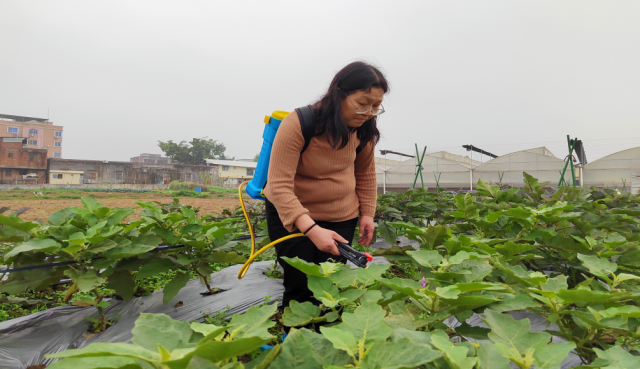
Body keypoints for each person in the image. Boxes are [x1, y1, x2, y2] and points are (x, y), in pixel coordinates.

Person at [264, 61, 389, 309]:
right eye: (362, 104)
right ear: (338, 93)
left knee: (331, 285)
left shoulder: (364, 130)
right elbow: (278, 186)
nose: (368, 112)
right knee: (300, 286)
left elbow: (365, 174)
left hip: (341, 215)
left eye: (376, 106)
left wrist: (367, 214)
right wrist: (311, 229)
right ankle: (297, 342)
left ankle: (327, 341)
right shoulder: (300, 122)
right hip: (293, 217)